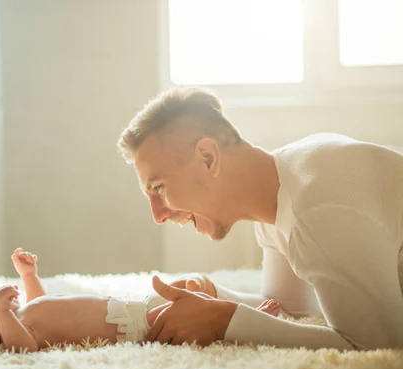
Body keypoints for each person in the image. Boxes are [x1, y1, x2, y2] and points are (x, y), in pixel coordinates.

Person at [116, 86, 403, 350]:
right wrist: (215, 294)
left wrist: (221, 321)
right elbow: (288, 308)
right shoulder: (278, 198)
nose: (158, 215)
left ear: (207, 158)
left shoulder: (318, 208)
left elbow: (376, 345)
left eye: (159, 188)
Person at [0, 248, 281, 351]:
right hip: (133, 326)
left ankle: (247, 306)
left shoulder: (26, 315)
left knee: (188, 288)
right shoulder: (17, 333)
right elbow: (23, 348)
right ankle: (253, 318)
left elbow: (40, 303)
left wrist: (29, 277)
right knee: (193, 308)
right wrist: (3, 313)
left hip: (128, 309)